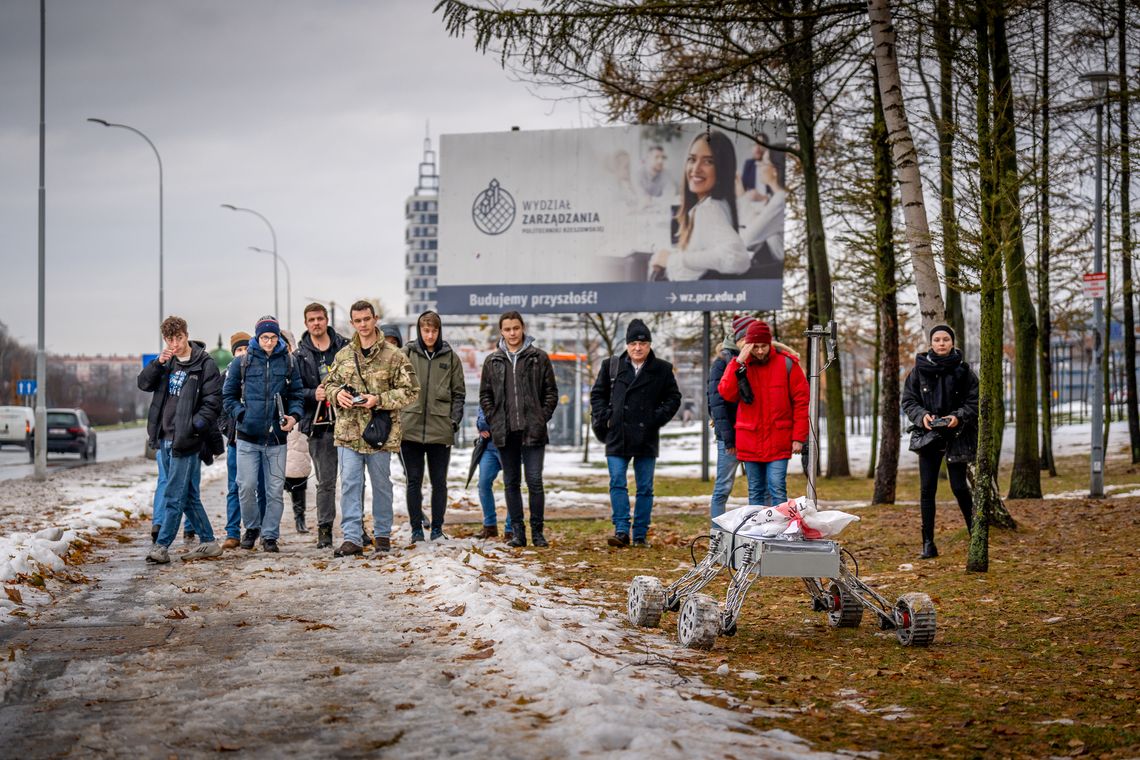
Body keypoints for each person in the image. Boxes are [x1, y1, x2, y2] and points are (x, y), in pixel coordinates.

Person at [322, 300, 419, 557]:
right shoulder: (343, 355)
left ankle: (383, 533)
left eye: (367, 319)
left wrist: (380, 400)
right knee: (351, 484)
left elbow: (411, 391)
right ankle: (352, 537)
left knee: (381, 485)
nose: (363, 325)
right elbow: (328, 385)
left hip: (379, 432)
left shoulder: (394, 355)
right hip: (348, 432)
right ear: (352, 323)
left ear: (375, 318)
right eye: (358, 321)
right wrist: (337, 395)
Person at [138, 316, 224, 564]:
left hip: (186, 439)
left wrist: (193, 428)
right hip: (163, 437)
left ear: (187, 335)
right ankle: (208, 542)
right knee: (186, 495)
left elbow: (212, 403)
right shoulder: (166, 363)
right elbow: (143, 384)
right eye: (169, 339)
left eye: (178, 338)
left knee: (174, 494)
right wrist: (157, 364)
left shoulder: (204, 364)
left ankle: (161, 547)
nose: (174, 344)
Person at [590, 319, 681, 548]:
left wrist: (655, 418)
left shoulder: (661, 368)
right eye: (633, 343)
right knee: (617, 481)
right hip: (617, 434)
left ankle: (639, 533)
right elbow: (597, 395)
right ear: (627, 345)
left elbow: (673, 398)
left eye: (642, 343)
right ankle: (621, 530)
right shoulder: (611, 365)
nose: (637, 348)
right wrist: (606, 417)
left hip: (646, 435)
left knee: (645, 487)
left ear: (649, 345)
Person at [222, 315, 305, 554]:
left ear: (279, 337)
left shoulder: (288, 362)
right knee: (246, 486)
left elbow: (297, 395)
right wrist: (241, 415)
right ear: (257, 337)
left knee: (274, 490)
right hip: (248, 437)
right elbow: (227, 396)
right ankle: (251, 528)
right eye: (265, 337)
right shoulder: (243, 362)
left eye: (273, 337)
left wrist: (294, 416)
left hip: (277, 439)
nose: (269, 342)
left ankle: (270, 536)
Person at [479, 311, 558, 548]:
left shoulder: (538, 357)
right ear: (501, 331)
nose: (512, 333)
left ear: (523, 328)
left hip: (532, 431)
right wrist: (494, 419)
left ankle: (538, 532)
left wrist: (541, 417)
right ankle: (518, 533)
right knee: (511, 482)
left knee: (534, 481)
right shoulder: (493, 361)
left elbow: (551, 392)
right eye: (507, 329)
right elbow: (485, 395)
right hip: (505, 432)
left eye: (516, 328)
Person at [900, 324, 978, 559]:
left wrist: (957, 417)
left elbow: (973, 402)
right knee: (927, 490)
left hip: (957, 435)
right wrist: (921, 416)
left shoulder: (965, 372)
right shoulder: (918, 371)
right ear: (931, 343)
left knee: (959, 487)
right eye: (937, 340)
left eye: (945, 339)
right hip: (929, 436)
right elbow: (909, 400)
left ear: (952, 342)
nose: (941, 343)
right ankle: (928, 544)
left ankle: (976, 536)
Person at [717, 320, 808, 507]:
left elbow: (801, 402)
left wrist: (798, 437)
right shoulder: (741, 366)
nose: (759, 351)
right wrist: (738, 361)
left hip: (778, 438)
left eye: (763, 346)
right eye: (755, 347)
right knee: (755, 489)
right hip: (750, 439)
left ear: (770, 343)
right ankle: (758, 532)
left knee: (777, 486)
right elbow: (726, 392)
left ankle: (779, 530)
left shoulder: (787, 364)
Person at [647, 130, 750, 281]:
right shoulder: (717, 204)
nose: (695, 169)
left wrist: (673, 260)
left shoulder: (708, 209)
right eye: (692, 159)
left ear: (722, 169)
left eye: (708, 161)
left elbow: (738, 258)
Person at [400, 310, 465, 542]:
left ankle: (437, 528)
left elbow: (459, 394)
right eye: (425, 330)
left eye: (433, 330)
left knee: (439, 482)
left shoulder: (450, 357)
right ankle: (416, 528)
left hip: (440, 430)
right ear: (419, 330)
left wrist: (453, 421)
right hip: (410, 429)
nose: (429, 335)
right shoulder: (406, 353)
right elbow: (394, 387)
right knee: (413, 481)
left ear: (439, 331)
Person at [295, 302, 350, 549]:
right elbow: (293, 391)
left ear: (326, 319)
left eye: (320, 318)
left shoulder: (345, 347)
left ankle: (355, 527)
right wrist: (311, 394)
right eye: (311, 320)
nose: (316, 323)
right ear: (306, 324)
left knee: (353, 479)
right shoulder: (299, 355)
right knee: (326, 481)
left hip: (349, 423)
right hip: (319, 426)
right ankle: (325, 529)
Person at [220, 331, 266, 549]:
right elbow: (220, 406)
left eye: (246, 348)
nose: (242, 353)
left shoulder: (258, 372)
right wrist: (226, 428)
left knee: (259, 486)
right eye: (238, 349)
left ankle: (261, 529)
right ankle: (232, 531)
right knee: (235, 487)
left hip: (257, 439)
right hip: (235, 441)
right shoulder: (227, 375)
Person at [707, 315, 754, 521]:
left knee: (758, 487)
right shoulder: (722, 362)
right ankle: (717, 536)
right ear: (738, 338)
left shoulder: (757, 360)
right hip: (731, 436)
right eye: (746, 338)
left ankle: (759, 535)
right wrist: (729, 439)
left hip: (753, 433)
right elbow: (716, 404)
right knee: (723, 487)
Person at [475, 408, 512, 540]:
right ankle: (490, 526)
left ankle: (511, 529)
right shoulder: (486, 389)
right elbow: (481, 412)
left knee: (511, 486)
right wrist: (481, 424)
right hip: (489, 446)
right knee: (483, 484)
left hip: (509, 444)